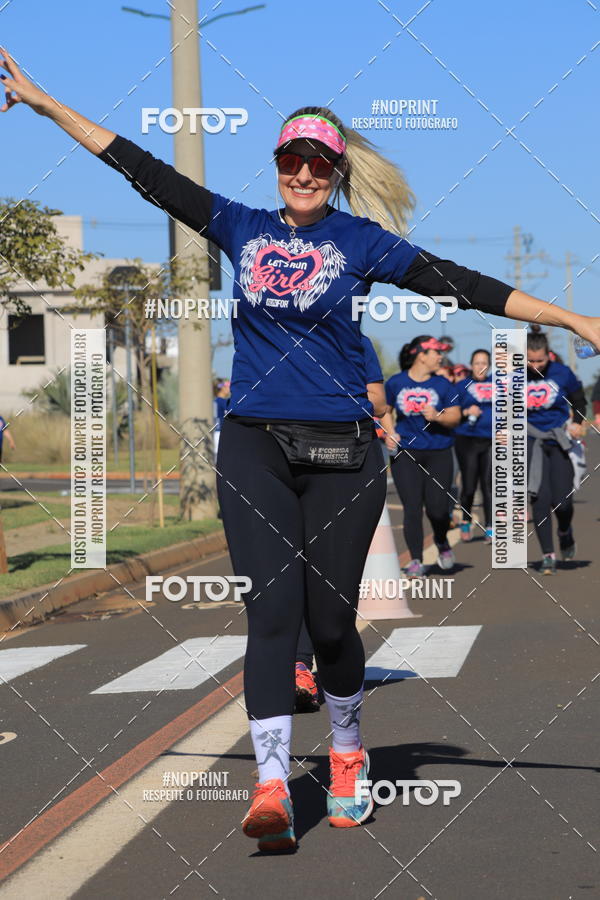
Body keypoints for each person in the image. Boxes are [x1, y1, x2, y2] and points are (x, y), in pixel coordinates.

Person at [5, 51, 599, 851]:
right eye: (292, 161)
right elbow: (139, 167)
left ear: (337, 171)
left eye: (318, 164)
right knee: (270, 615)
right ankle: (273, 786)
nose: (304, 174)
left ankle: (348, 754)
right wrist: (44, 102)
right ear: (277, 166)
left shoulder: (363, 243)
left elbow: (466, 284)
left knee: (330, 624)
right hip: (252, 444)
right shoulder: (239, 225)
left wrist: (574, 320)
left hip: (346, 452)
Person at [294, 334, 386, 714]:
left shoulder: (358, 342)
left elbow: (378, 401)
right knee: (289, 570)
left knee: (327, 586)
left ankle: (332, 674)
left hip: (341, 463)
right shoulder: (277, 337)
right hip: (284, 463)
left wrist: (329, 400)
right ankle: (298, 666)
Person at [380, 336, 461, 577]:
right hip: (407, 453)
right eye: (436, 352)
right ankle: (416, 559)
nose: (440, 357)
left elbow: (455, 416)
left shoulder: (444, 385)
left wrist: (438, 416)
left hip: (439, 452)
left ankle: (441, 540)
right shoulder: (396, 383)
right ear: (420, 354)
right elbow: (385, 410)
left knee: (437, 509)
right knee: (412, 508)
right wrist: (390, 432)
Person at [526, 329, 586, 574]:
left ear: (548, 355)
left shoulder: (562, 373)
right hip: (529, 440)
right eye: (530, 360)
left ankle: (564, 530)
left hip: (559, 438)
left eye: (540, 360)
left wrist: (578, 423)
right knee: (539, 499)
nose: (536, 365)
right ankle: (547, 554)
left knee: (563, 503)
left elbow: (579, 399)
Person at [454, 349, 494, 543]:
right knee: (469, 486)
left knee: (488, 484)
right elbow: (449, 411)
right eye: (477, 363)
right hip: (466, 440)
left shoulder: (498, 385)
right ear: (471, 365)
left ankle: (490, 526)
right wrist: (465, 411)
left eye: (484, 362)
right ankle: (466, 520)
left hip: (491, 440)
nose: (481, 366)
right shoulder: (461, 386)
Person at [212, 378, 230, 456]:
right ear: (222, 388)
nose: (229, 388)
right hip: (219, 433)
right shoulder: (222, 402)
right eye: (227, 385)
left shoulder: (215, 400)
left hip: (215, 432)